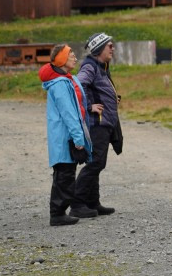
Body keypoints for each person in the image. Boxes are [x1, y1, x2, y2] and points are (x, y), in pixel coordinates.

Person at [40, 44, 92, 226]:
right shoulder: (61, 84)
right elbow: (69, 113)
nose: (75, 57)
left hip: (64, 136)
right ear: (62, 60)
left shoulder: (66, 80)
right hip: (64, 137)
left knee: (64, 173)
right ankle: (57, 213)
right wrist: (78, 138)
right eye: (71, 54)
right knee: (64, 175)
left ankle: (59, 212)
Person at [73, 32, 121, 218]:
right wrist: (89, 106)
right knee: (95, 163)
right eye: (110, 46)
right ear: (99, 49)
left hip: (105, 123)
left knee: (98, 163)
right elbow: (78, 86)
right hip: (97, 124)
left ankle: (93, 202)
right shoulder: (90, 66)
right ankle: (77, 203)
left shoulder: (101, 66)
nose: (113, 49)